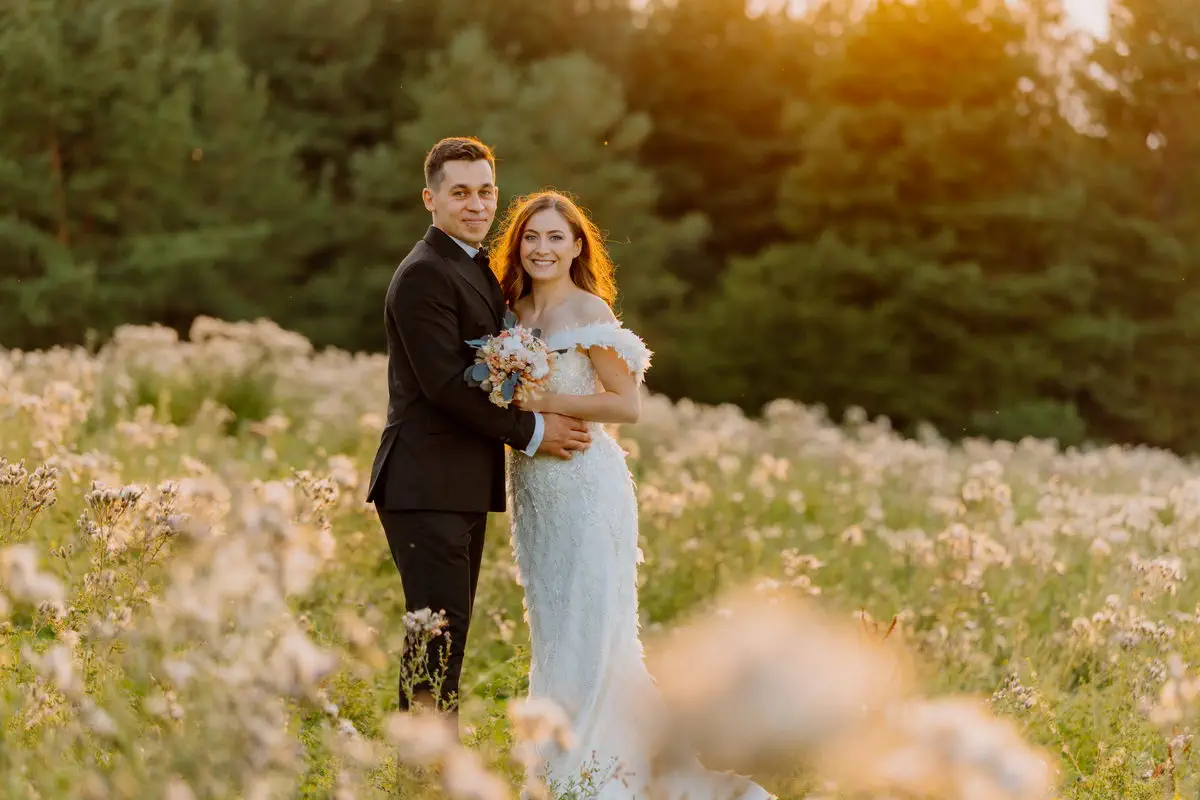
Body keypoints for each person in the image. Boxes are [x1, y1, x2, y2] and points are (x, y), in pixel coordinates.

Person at [495, 190, 773, 800]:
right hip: (537, 491)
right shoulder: (511, 314)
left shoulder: (588, 309)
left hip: (588, 487)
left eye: (555, 238)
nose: (542, 248)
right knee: (555, 629)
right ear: (518, 245)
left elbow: (626, 404)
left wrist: (543, 401)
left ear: (576, 247)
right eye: (531, 237)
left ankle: (599, 777)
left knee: (596, 631)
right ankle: (563, 762)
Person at [366, 137, 592, 721]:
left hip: (457, 484)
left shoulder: (472, 267)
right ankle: (421, 777)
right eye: (460, 192)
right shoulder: (423, 275)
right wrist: (534, 432)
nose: (476, 203)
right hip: (423, 484)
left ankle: (428, 773)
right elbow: (444, 387)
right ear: (430, 198)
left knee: (446, 639)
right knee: (435, 643)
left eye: (485, 190)